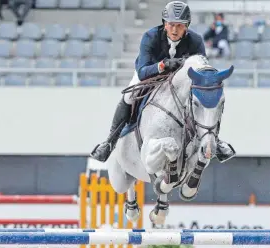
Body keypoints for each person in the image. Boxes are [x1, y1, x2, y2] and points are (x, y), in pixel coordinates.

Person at [90, 1, 235, 163]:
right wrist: (162, 65)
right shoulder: (150, 36)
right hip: (150, 74)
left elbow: (201, 72)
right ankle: (110, 142)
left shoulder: (196, 40)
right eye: (171, 25)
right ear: (164, 24)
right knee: (128, 96)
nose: (174, 30)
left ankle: (215, 139)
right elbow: (142, 71)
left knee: (202, 99)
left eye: (179, 26)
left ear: (187, 26)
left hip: (180, 80)